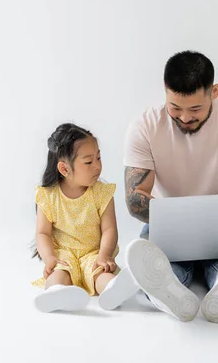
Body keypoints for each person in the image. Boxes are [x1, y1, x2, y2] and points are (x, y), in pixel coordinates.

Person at [122, 51, 218, 323]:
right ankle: (171, 291)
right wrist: (179, 225)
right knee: (157, 267)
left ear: (214, 92)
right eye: (175, 107)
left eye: (195, 109)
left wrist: (217, 222)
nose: (184, 117)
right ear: (165, 92)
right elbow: (135, 198)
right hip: (166, 227)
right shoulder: (144, 126)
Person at [32, 123, 135, 313]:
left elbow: (109, 229)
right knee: (59, 273)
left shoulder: (101, 193)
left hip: (93, 253)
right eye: (88, 162)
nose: (97, 166)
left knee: (101, 274)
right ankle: (57, 293)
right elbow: (42, 233)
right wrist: (49, 258)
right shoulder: (48, 196)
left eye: (99, 158)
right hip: (64, 254)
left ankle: (114, 291)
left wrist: (104, 255)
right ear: (64, 169)